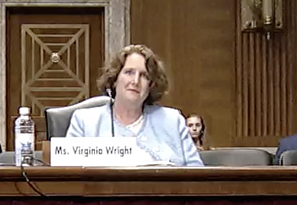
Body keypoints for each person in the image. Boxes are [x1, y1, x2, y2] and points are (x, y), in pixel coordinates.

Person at [66, 44, 203, 166]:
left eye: (144, 76)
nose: (135, 81)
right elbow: (69, 178)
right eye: (129, 72)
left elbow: (198, 178)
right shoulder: (85, 122)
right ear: (114, 79)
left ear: (151, 85)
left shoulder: (173, 121)